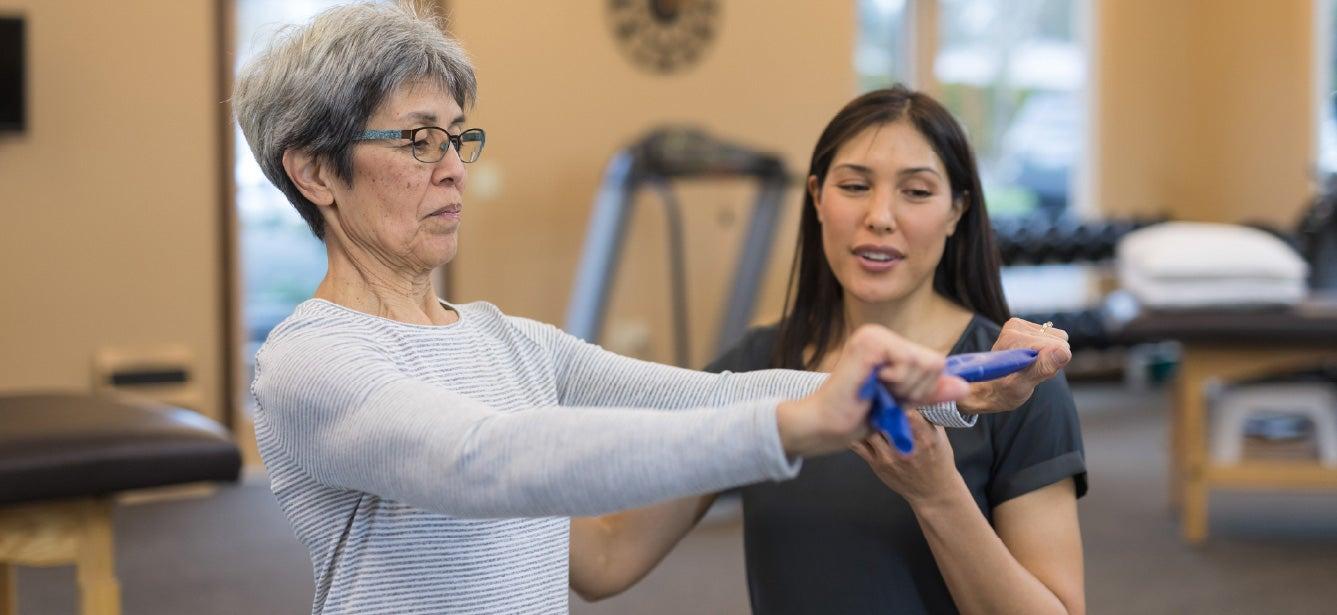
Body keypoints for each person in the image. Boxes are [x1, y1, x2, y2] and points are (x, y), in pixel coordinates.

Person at [234, 4, 984, 614]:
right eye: (421, 141)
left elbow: (710, 395)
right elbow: (485, 459)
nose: (455, 169)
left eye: (460, 138)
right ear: (314, 171)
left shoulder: (508, 340)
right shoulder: (307, 361)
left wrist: (955, 385)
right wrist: (794, 425)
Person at [572, 86, 1085, 615]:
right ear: (817, 197)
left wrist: (936, 495)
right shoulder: (758, 363)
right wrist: (490, 463)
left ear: (957, 211)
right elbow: (611, 556)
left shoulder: (1012, 385)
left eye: (917, 192)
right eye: (855, 185)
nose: (881, 216)